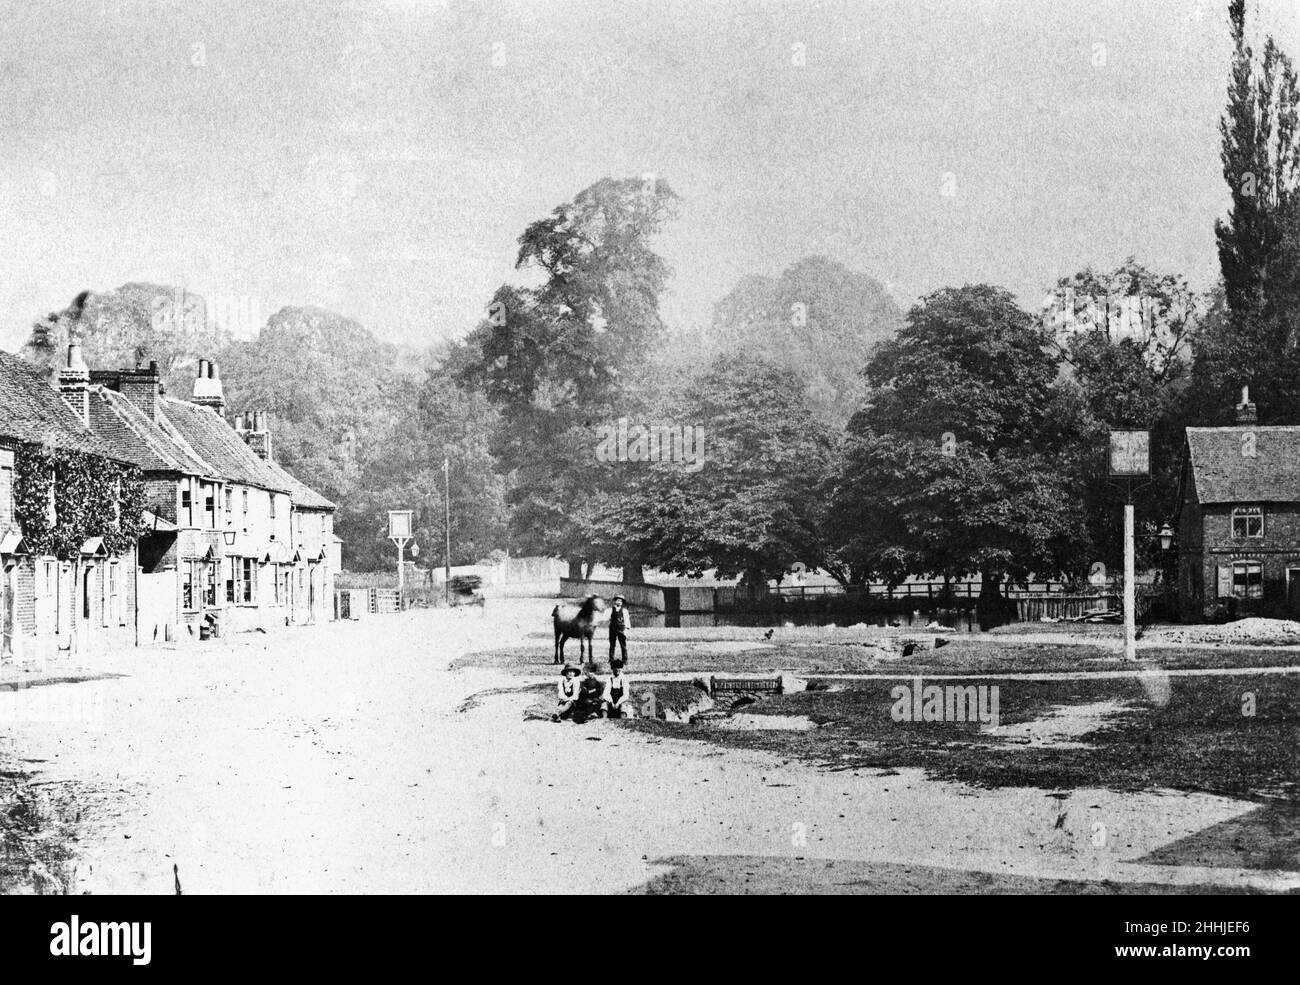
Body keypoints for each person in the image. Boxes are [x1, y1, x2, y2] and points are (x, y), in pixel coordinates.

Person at [608, 595, 630, 665]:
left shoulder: (624, 611)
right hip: (612, 629)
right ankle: (611, 659)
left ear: (622, 603)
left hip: (621, 629)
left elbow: (627, 620)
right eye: (618, 600)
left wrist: (627, 628)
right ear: (615, 601)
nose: (619, 602)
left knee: (623, 645)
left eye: (620, 601)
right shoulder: (611, 610)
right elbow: (605, 617)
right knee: (612, 645)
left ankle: (625, 660)